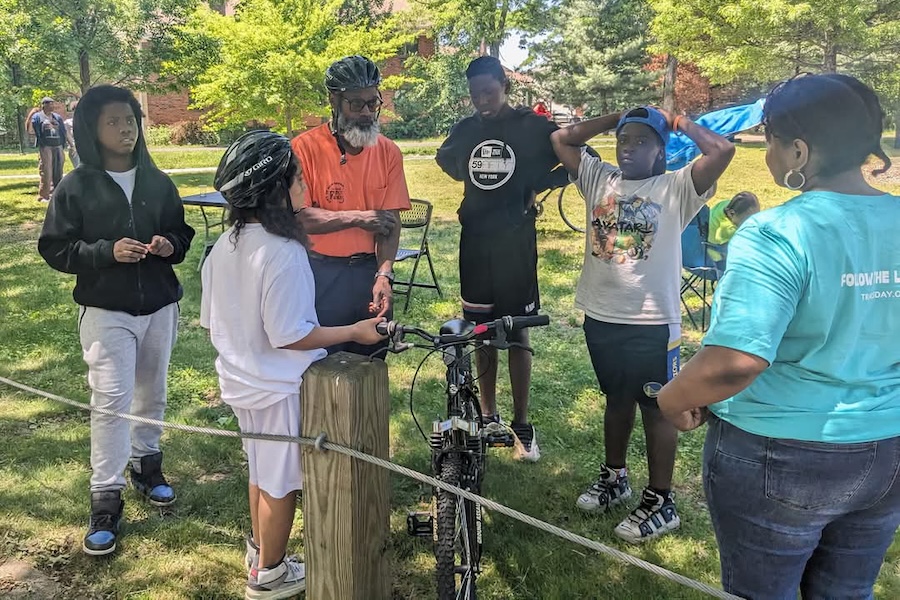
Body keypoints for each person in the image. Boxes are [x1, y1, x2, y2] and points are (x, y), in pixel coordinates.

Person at [657, 74, 900, 598]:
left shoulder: (775, 233)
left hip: (782, 456)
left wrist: (672, 398)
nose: (765, 151)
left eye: (768, 139)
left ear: (798, 150)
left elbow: (734, 361)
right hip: (888, 449)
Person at [200, 131, 386, 599]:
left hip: (242, 381)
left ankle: (260, 551)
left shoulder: (224, 246)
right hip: (277, 387)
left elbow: (210, 322)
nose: (306, 184)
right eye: (297, 177)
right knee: (281, 485)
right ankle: (270, 575)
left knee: (260, 473)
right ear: (275, 190)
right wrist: (353, 332)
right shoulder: (284, 253)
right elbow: (291, 335)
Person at [551, 106, 734, 542]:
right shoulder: (600, 180)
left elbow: (722, 150)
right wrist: (612, 118)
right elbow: (561, 140)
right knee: (616, 398)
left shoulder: (676, 188)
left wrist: (679, 123)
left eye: (642, 142)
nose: (630, 148)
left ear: (660, 151)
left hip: (653, 322)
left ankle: (660, 500)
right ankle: (615, 477)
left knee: (657, 408)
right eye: (624, 139)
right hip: (602, 314)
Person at [37, 85, 195, 556]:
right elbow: (55, 248)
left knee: (153, 392)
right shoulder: (77, 185)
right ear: (92, 130)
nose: (126, 128)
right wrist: (106, 252)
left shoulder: (157, 180)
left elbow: (181, 232)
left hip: (160, 306)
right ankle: (105, 497)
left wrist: (169, 244)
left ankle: (148, 466)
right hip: (107, 310)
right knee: (111, 400)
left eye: (130, 119)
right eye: (114, 122)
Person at [435, 56, 569, 462]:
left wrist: (535, 186)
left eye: (489, 92)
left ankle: (522, 425)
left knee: (516, 330)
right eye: (475, 95)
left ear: (504, 85)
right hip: (476, 243)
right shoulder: (467, 130)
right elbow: (447, 159)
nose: (482, 101)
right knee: (481, 330)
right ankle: (489, 415)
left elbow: (573, 155)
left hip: (515, 244)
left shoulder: (532, 126)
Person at [291, 55, 410, 356]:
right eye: (356, 104)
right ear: (334, 100)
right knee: (320, 367)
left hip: (368, 273)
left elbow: (389, 224)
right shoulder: (304, 148)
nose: (368, 112)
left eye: (373, 103)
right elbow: (299, 217)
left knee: (371, 363)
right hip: (319, 273)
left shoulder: (389, 152)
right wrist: (359, 218)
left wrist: (384, 274)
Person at [32, 96, 68, 202]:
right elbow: (35, 130)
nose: (52, 106)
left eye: (52, 103)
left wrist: (65, 143)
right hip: (46, 146)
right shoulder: (37, 117)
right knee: (46, 170)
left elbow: (63, 131)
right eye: (49, 104)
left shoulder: (57, 117)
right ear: (43, 105)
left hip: (58, 145)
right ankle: (44, 195)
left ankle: (57, 194)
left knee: (58, 169)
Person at [64, 101, 80, 168]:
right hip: (74, 149)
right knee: (78, 168)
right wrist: (73, 146)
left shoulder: (87, 122)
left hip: (86, 149)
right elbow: (68, 135)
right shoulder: (68, 123)